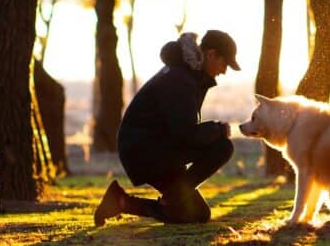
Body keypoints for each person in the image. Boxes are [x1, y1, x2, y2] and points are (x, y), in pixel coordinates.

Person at [94, 30, 240, 226]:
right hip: (145, 151)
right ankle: (174, 196)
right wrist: (219, 130)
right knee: (222, 146)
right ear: (211, 54)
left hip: (156, 148)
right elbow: (186, 134)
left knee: (197, 214)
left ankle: (120, 202)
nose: (223, 71)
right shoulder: (181, 79)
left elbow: (181, 130)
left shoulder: (189, 76)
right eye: (224, 64)